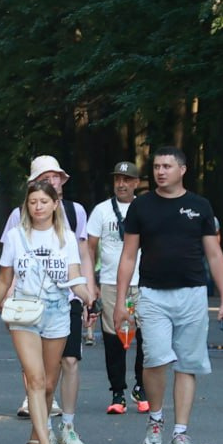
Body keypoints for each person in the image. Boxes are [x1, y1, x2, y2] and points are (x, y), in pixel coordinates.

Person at [113, 146, 223, 444]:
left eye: (167, 166)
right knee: (154, 358)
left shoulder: (200, 206)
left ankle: (181, 432)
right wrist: (120, 301)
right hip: (152, 295)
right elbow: (128, 256)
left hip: (193, 294)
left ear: (183, 169)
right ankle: (155, 420)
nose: (160, 171)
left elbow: (214, 254)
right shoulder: (141, 207)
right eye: (156, 166)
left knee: (187, 364)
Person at [0, 181, 94, 444]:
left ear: (55, 204)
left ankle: (33, 440)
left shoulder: (66, 237)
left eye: (43, 201)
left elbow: (74, 276)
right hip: (24, 313)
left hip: (57, 312)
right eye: (32, 202)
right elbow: (5, 278)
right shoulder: (17, 236)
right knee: (36, 379)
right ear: (26, 206)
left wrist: (89, 297)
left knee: (50, 384)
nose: (38, 206)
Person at [4, 156, 95, 444]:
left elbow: (84, 255)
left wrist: (89, 293)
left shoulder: (75, 210)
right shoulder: (19, 215)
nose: (53, 180)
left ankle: (67, 425)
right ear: (33, 184)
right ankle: (41, 435)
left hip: (67, 298)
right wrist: (9, 299)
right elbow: (13, 265)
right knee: (37, 373)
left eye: (57, 176)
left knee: (70, 361)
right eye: (47, 176)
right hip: (29, 303)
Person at [86, 162, 148, 414]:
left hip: (144, 282)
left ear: (136, 183)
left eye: (127, 179)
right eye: (117, 179)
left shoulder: (146, 207)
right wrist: (92, 284)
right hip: (111, 283)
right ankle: (118, 392)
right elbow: (89, 248)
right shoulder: (101, 211)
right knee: (113, 338)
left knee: (146, 337)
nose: (121, 184)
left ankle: (141, 386)